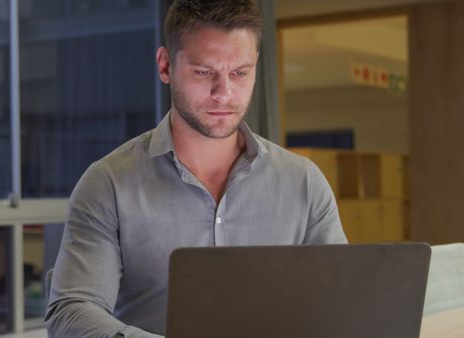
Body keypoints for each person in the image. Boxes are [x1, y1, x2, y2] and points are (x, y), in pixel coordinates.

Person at [45, 0, 347, 337]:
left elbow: (338, 303)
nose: (224, 93)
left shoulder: (304, 182)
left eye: (240, 73)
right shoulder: (109, 183)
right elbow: (72, 311)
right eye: (204, 72)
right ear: (165, 66)